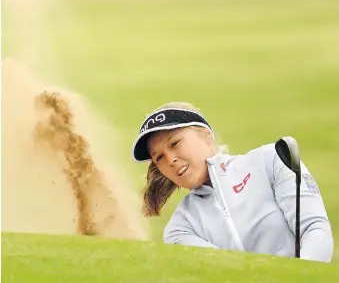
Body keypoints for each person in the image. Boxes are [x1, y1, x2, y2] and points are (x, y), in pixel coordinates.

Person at [131, 102, 334, 262]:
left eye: (175, 143)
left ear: (206, 136)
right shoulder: (180, 228)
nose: (170, 159)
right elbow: (226, 273)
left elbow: (315, 229)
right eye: (159, 158)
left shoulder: (272, 158)